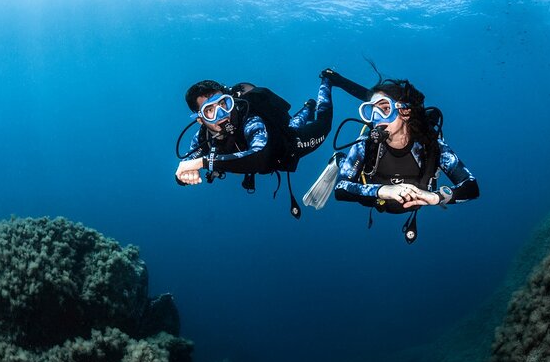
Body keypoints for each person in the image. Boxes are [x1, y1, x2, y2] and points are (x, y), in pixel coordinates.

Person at [326, 70, 479, 242]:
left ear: (405, 112)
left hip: (414, 203)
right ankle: (339, 160)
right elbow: (340, 189)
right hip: (377, 201)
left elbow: (471, 187)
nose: (377, 118)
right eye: (372, 111)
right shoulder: (365, 144)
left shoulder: (431, 145)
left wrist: (436, 197)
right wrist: (383, 191)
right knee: (347, 164)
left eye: (384, 109)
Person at [175, 76, 333, 217]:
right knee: (295, 123)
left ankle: (326, 81)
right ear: (200, 120)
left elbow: (259, 157)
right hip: (273, 143)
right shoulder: (203, 137)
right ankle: (308, 107)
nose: (222, 114)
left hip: (288, 146)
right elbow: (187, 164)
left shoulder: (250, 120)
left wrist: (203, 163)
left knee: (322, 125)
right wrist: (181, 176)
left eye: (223, 103)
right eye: (210, 110)